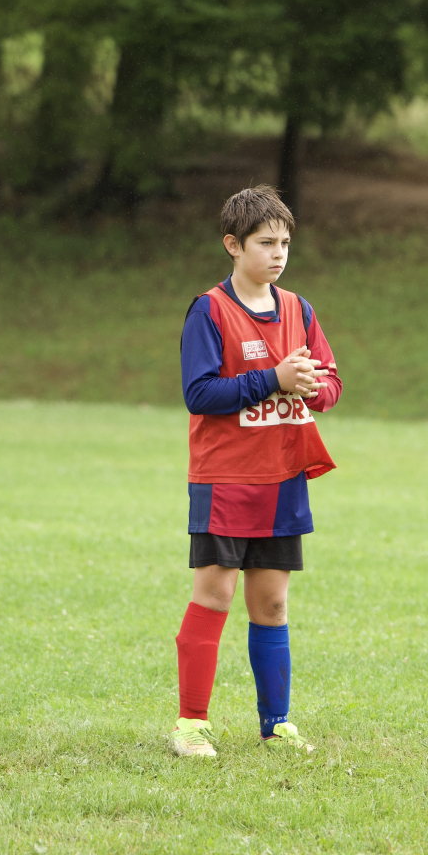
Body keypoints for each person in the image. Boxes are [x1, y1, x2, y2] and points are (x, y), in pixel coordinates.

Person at [169, 185, 343, 758]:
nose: (278, 253)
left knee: (271, 605)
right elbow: (199, 393)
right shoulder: (209, 310)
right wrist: (274, 379)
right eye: (266, 243)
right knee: (215, 594)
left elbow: (331, 381)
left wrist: (314, 388)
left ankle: (276, 725)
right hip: (224, 479)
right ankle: (191, 724)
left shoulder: (299, 310)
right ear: (233, 245)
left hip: (283, 479)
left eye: (285, 243)